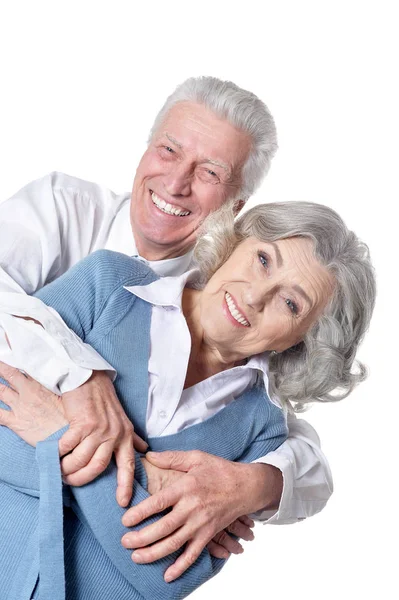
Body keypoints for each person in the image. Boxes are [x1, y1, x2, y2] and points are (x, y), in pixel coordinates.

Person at [0, 76, 333, 577]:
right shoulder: (67, 213)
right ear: (145, 150)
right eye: (169, 150)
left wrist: (256, 485)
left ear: (235, 209)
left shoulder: (227, 304)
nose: (177, 183)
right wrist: (83, 377)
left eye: (210, 172)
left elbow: (294, 447)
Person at [0, 200, 375, 600]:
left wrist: (58, 430)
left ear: (303, 340)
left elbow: (167, 578)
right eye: (264, 260)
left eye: (291, 303)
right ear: (236, 241)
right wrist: (154, 486)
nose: (255, 296)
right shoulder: (108, 286)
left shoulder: (263, 434)